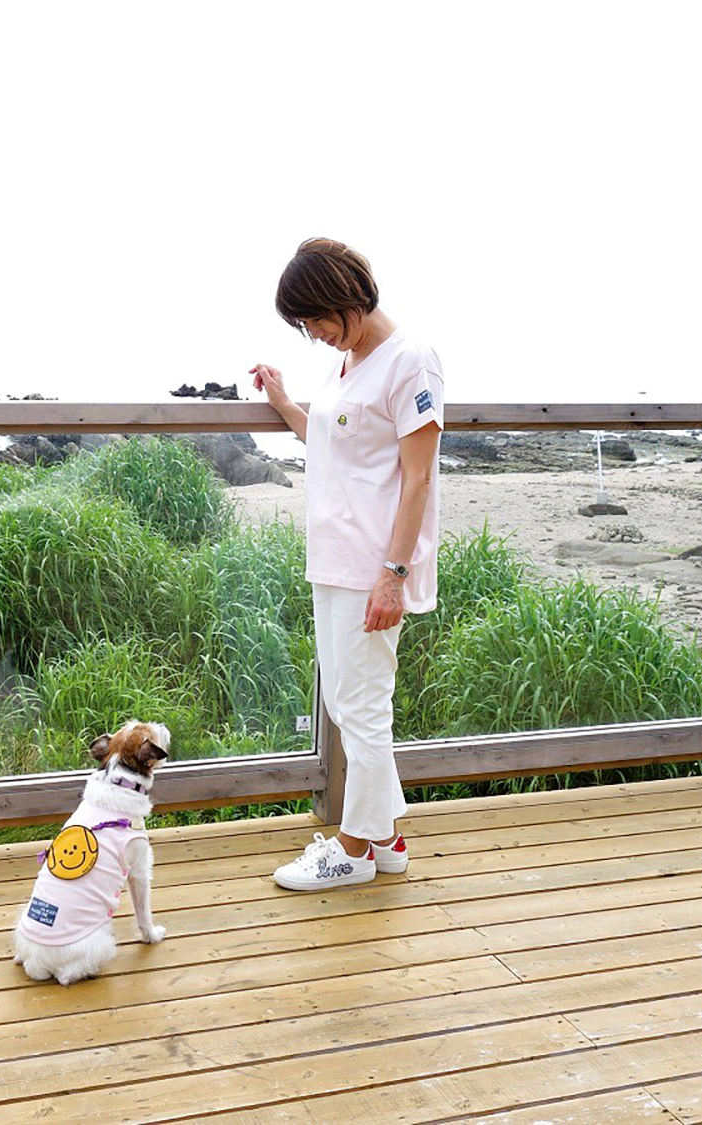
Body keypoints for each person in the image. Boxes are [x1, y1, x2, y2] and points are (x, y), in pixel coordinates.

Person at [251, 237, 444, 891]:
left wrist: (395, 574)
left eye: (315, 319)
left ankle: (353, 849)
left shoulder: (409, 360)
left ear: (343, 295)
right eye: (303, 327)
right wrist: (282, 401)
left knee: (362, 707)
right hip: (333, 562)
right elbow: (336, 448)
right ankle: (387, 838)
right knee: (345, 701)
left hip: (372, 567)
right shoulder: (350, 364)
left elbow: (417, 480)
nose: (314, 335)